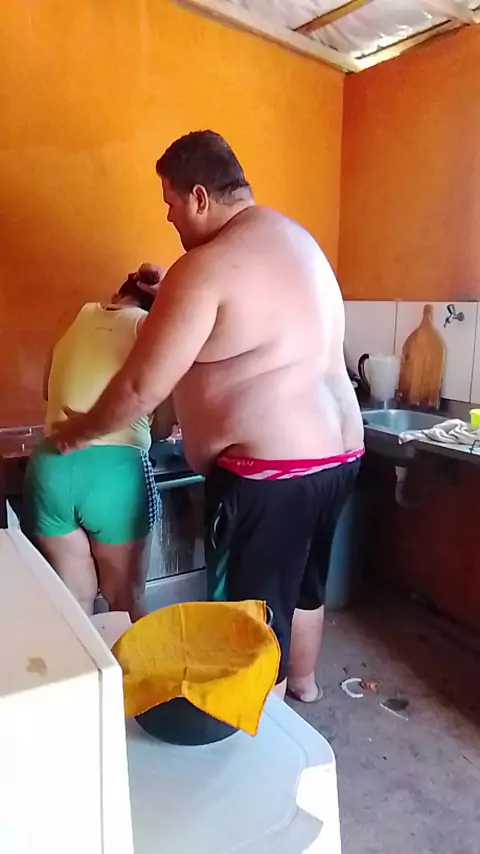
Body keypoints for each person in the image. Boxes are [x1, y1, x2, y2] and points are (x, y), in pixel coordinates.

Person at [51, 131, 364, 701]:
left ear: (199, 196)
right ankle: (303, 687)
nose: (168, 217)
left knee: (250, 624)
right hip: (340, 455)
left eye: (170, 202)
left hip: (271, 476)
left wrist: (81, 430)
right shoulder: (296, 242)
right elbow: (248, 329)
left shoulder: (204, 266)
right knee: (303, 589)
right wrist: (170, 294)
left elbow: (141, 386)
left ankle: (260, 729)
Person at [25, 263, 171, 620]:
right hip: (114, 473)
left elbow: (48, 391)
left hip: (51, 464)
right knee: (125, 599)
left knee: (74, 602)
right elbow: (164, 427)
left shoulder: (76, 319)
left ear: (117, 296)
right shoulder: (154, 331)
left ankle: (84, 659)